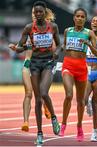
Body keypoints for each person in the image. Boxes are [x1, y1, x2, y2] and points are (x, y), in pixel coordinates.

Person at [9, 1, 61, 145]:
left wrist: (56, 53)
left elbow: (59, 45)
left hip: (48, 63)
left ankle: (54, 118)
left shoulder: (53, 27)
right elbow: (21, 47)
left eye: (40, 12)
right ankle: (39, 133)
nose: (38, 14)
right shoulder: (28, 28)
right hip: (34, 65)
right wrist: (16, 48)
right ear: (34, 13)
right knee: (37, 100)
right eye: (36, 12)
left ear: (45, 12)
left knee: (44, 93)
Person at [59, 8, 97, 142]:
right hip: (68, 66)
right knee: (69, 95)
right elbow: (64, 46)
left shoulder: (89, 33)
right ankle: (63, 124)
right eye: (78, 16)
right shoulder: (67, 31)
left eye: (83, 17)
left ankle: (79, 127)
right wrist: (60, 50)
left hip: (81, 68)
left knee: (81, 101)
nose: (80, 18)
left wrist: (88, 43)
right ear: (74, 18)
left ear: (85, 19)